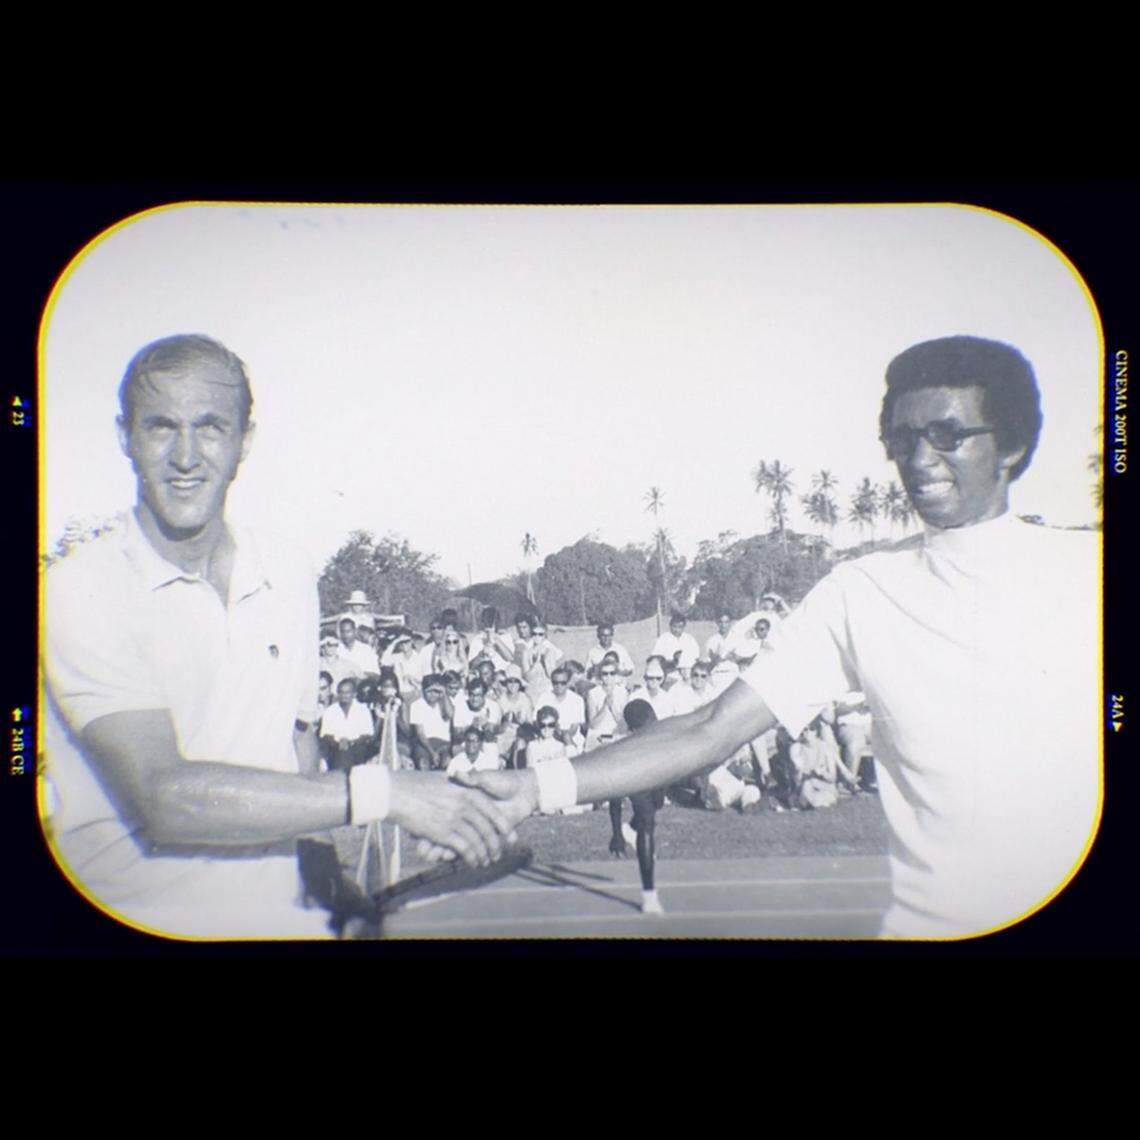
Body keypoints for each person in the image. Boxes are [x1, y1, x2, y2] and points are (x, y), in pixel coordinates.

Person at [458, 335, 1099, 939]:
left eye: (949, 434)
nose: (920, 459)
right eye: (902, 438)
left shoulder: (1088, 575)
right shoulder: (860, 591)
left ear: (1011, 443)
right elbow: (708, 727)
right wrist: (534, 786)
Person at [42, 334, 516, 939]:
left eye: (211, 428)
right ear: (125, 438)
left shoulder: (288, 573)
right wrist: (385, 792)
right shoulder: (80, 587)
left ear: (245, 440)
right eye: (162, 427)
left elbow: (297, 750)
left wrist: (326, 885)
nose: (185, 455)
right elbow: (165, 797)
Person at [606, 699, 666, 915]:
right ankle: (649, 896)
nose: (652, 730)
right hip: (636, 774)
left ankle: (630, 829)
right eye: (645, 729)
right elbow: (615, 798)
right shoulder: (625, 753)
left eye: (654, 724)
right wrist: (615, 835)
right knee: (648, 823)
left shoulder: (660, 736)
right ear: (633, 730)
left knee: (656, 805)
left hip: (657, 774)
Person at [318, 678, 376, 771]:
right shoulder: (330, 711)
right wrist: (338, 743)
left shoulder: (363, 710)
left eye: (347, 692)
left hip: (358, 749)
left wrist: (351, 743)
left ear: (354, 694)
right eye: (341, 692)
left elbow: (368, 735)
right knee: (341, 755)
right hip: (336, 749)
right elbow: (325, 735)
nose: (344, 696)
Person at [652, 612, 701, 678]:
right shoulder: (663, 639)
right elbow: (656, 660)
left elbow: (696, 658)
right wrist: (673, 661)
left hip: (688, 675)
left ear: (684, 627)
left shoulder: (690, 639)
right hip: (670, 675)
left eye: (680, 627)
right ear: (670, 625)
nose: (677, 629)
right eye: (674, 626)